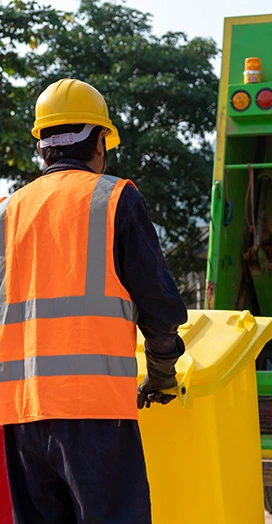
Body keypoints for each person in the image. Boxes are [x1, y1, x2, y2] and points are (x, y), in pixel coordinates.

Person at [0, 78, 188, 523]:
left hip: (21, 415)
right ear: (98, 140)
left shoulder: (8, 212)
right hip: (96, 413)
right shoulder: (115, 198)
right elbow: (159, 309)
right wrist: (161, 374)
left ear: (43, 144)